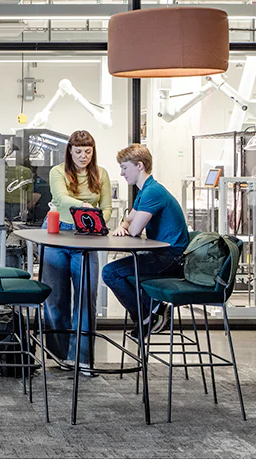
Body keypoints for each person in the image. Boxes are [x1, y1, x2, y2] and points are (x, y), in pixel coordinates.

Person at [42, 130, 113, 374]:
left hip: (86, 234)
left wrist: (98, 221)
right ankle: (61, 357)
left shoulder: (101, 174)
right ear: (70, 150)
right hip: (58, 231)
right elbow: (61, 198)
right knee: (55, 298)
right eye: (79, 151)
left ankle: (81, 359)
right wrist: (84, 206)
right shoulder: (58, 171)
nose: (83, 156)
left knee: (85, 297)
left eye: (88, 151)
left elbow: (106, 207)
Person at [102, 143, 190, 335]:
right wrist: (124, 225)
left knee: (110, 273)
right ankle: (152, 312)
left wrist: (127, 226)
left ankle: (149, 315)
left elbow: (133, 229)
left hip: (170, 257)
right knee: (120, 273)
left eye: (125, 167)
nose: (122, 173)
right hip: (162, 254)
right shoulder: (145, 191)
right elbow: (128, 220)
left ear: (139, 166)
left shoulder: (152, 192)